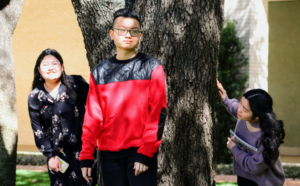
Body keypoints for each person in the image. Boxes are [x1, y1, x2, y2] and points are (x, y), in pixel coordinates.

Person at [79, 8, 167, 186]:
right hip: (109, 156)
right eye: (122, 30)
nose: (128, 35)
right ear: (112, 34)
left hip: (140, 154)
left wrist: (145, 153)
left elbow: (158, 113)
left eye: (134, 31)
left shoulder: (152, 67)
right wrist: (86, 156)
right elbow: (92, 119)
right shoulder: (99, 72)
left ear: (140, 35)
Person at [28, 49, 97, 186]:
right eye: (45, 64)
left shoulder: (75, 84)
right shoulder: (35, 96)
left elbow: (96, 107)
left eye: (55, 63)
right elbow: (38, 130)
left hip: (83, 151)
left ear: (62, 67)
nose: (51, 67)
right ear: (39, 70)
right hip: (57, 157)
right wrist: (50, 156)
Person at [217, 81, 285, 186]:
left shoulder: (267, 137)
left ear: (257, 116)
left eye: (245, 109)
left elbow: (255, 166)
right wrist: (225, 98)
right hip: (244, 175)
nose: (239, 109)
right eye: (241, 103)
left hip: (263, 182)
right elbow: (235, 107)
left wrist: (234, 149)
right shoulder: (244, 116)